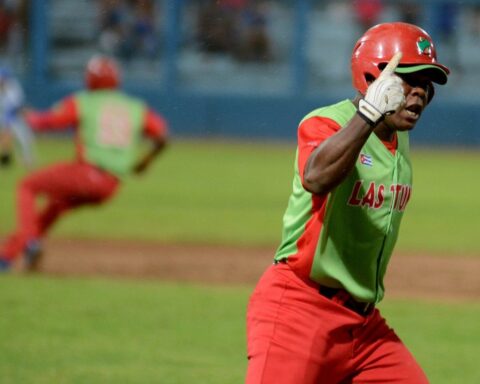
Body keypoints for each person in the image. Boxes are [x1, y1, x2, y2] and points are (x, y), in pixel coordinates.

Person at [245, 22, 449, 383]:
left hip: (365, 326)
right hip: (300, 309)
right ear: (373, 76)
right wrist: (367, 115)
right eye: (408, 78)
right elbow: (316, 177)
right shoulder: (329, 122)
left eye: (427, 83)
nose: (419, 92)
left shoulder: (398, 139)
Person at [0, 55, 168, 271]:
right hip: (111, 186)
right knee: (57, 206)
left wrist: (25, 115)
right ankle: (7, 256)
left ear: (91, 79)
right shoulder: (135, 107)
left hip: (87, 173)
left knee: (27, 186)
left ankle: (29, 244)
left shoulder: (84, 101)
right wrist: (144, 162)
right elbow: (162, 136)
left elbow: (47, 122)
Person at [0, 66, 36, 168]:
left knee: (24, 138)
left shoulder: (13, 87)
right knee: (5, 138)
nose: (1, 81)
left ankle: (27, 159)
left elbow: (16, 106)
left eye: (2, 78)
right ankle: (6, 159)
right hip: (4, 117)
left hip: (15, 117)